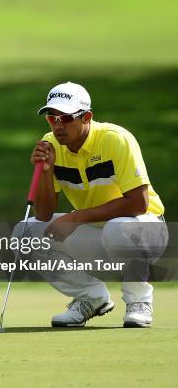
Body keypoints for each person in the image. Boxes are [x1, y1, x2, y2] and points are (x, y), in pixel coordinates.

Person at [26, 81, 167, 328]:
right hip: (97, 230)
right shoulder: (51, 144)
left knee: (118, 228)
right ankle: (90, 298)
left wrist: (76, 217)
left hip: (146, 229)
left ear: (86, 117)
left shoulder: (116, 139)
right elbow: (43, 213)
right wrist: (46, 173)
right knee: (26, 232)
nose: (58, 125)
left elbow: (138, 204)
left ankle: (139, 302)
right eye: (52, 118)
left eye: (66, 118)